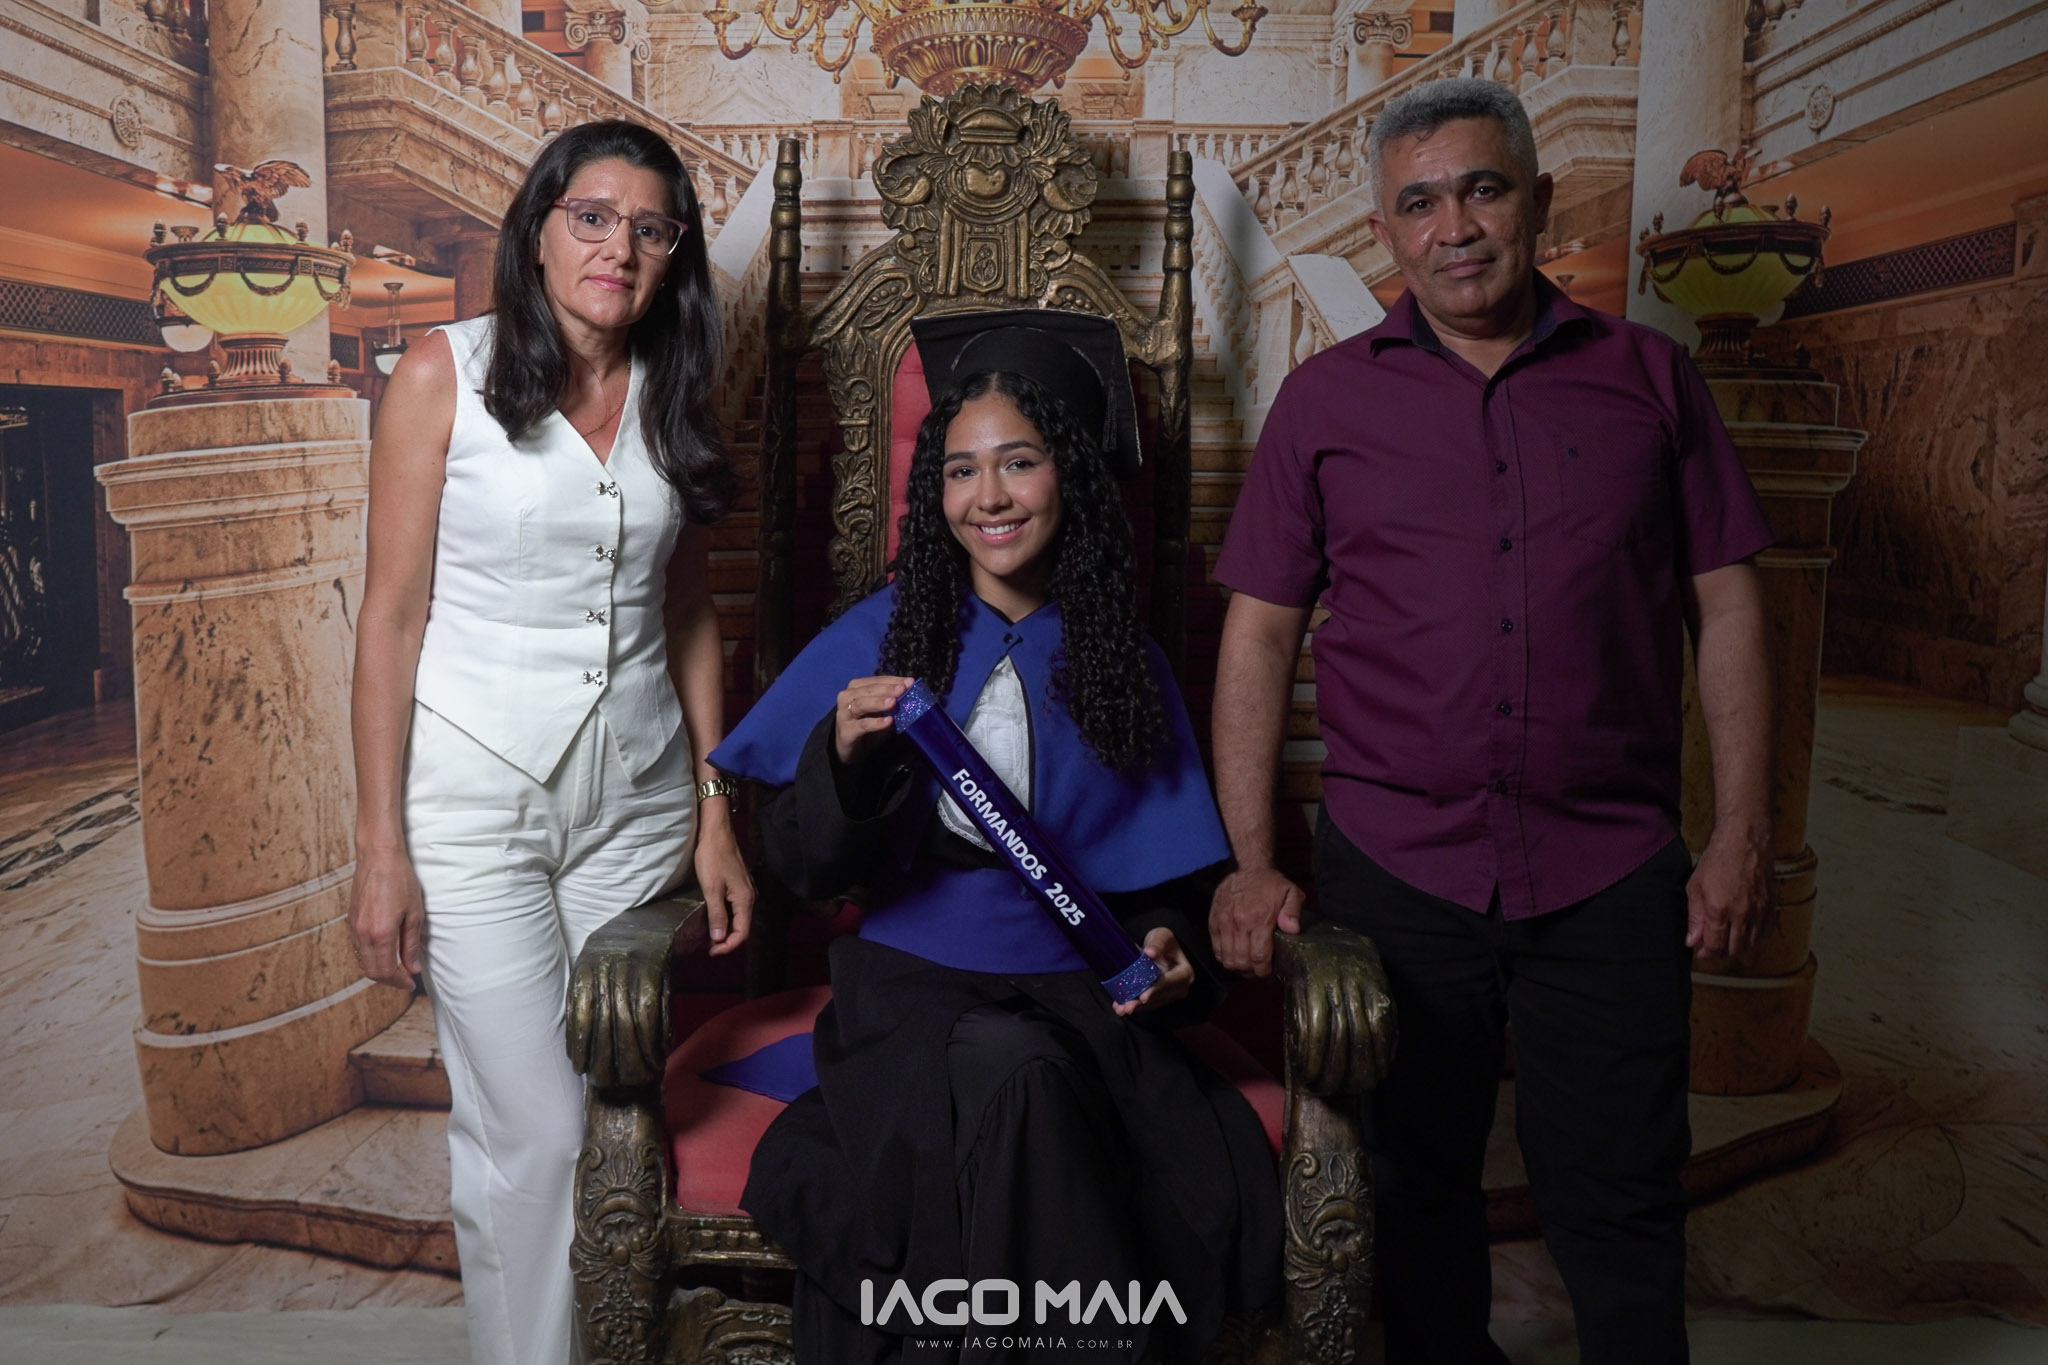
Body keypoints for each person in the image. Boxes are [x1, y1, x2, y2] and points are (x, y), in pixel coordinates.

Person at [1207, 78, 1777, 1365]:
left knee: (1623, 1205)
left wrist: (1740, 834)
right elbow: (1257, 635)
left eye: (1480, 190)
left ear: (1537, 200)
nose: (1453, 228)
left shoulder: (1650, 379)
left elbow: (1729, 608)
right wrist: (1247, 860)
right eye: (1418, 204)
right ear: (1382, 232)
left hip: (1609, 867)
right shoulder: (1323, 404)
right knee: (1413, 1205)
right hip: (1396, 869)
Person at [709, 310, 1281, 1364]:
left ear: (1068, 477)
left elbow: (1167, 884)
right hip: (912, 995)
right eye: (961, 471)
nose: (990, 497)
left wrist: (1167, 948)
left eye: (1018, 463)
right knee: (1020, 1079)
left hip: (1078, 997)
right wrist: (844, 759)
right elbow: (801, 864)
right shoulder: (876, 639)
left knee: (1035, 1076)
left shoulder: (1125, 660)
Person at [348, 120, 755, 1365]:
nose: (616, 248)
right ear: (537, 231)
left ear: (672, 254)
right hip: (475, 803)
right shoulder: (442, 374)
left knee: (589, 1119)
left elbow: (688, 609)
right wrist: (379, 848)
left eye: (648, 228)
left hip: (635, 805)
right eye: (591, 217)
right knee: (534, 1131)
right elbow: (391, 618)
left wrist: (715, 810)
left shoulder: (674, 383)